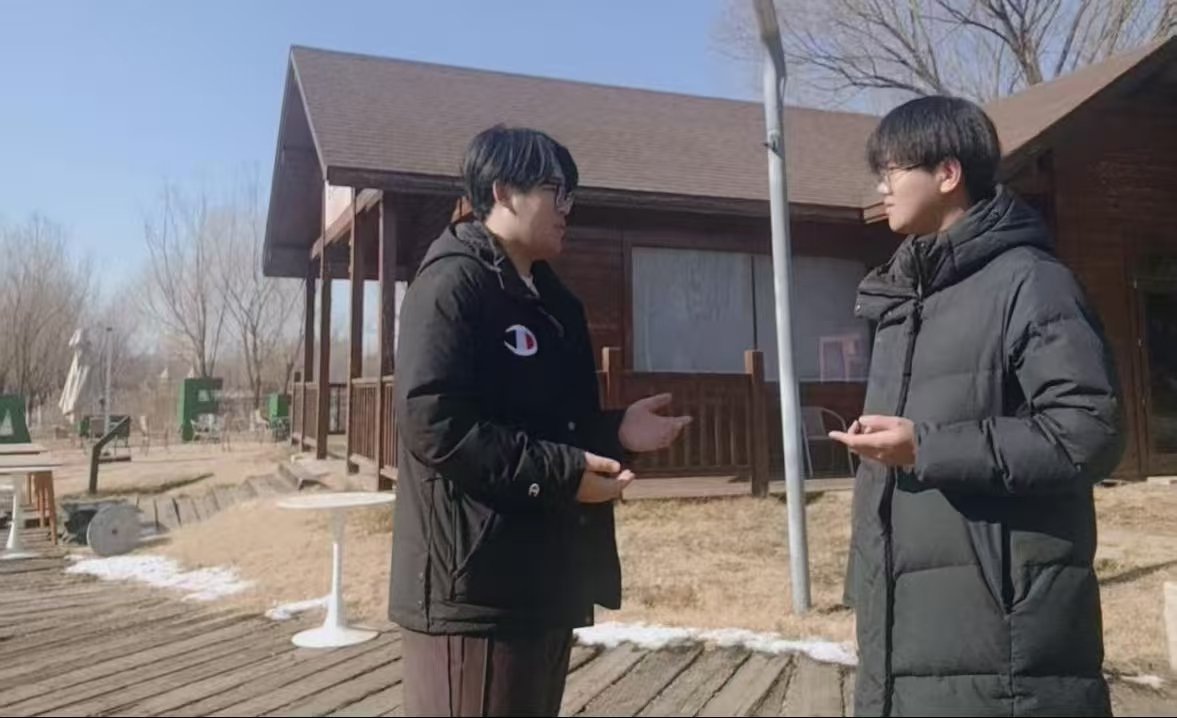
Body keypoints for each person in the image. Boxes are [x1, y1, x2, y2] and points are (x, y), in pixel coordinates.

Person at [830, 96, 1123, 716]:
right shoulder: (901, 298)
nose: (881, 187)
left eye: (891, 169)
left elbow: (1087, 431)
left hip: (1003, 638)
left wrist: (926, 447)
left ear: (947, 173)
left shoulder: (1030, 281)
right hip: (906, 623)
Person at [389, 125, 691, 717]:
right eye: (556, 191)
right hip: (473, 587)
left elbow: (556, 432)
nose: (567, 209)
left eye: (570, 194)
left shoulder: (556, 305)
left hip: (544, 573)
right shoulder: (452, 285)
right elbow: (435, 422)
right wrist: (563, 475)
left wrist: (615, 433)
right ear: (502, 192)